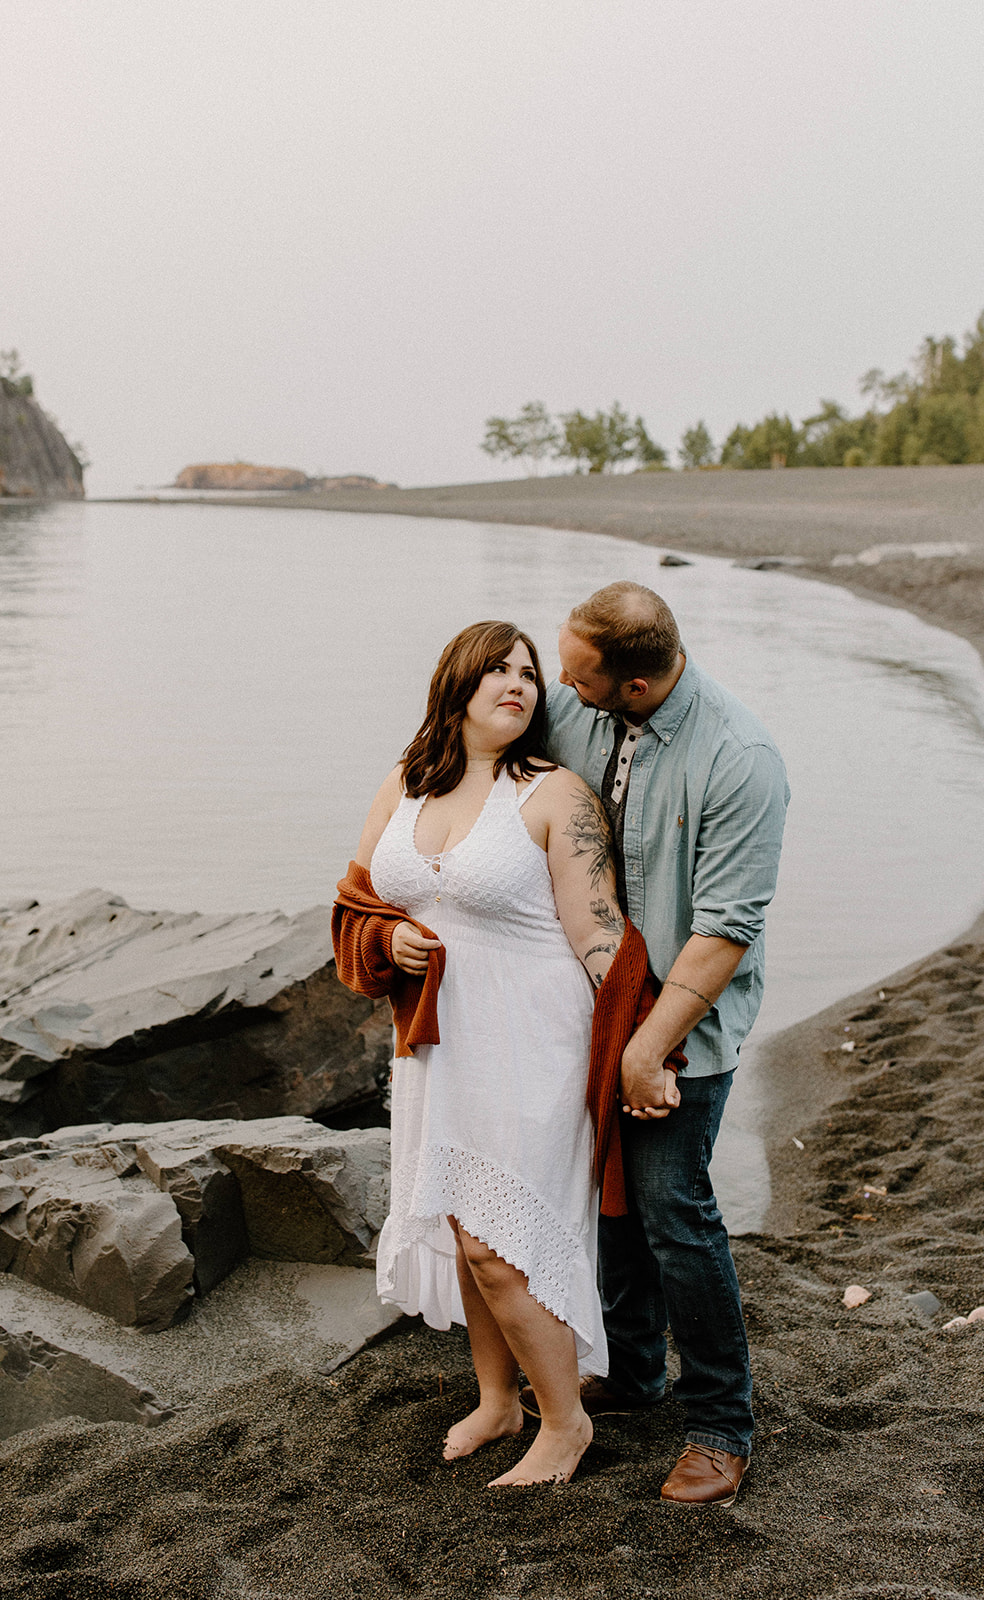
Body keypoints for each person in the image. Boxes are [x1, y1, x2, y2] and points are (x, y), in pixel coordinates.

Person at [333, 619, 633, 1488]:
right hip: (435, 1042)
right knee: (467, 1230)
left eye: (530, 673)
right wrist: (390, 945)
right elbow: (357, 901)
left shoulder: (552, 793)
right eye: (499, 668)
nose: (518, 683)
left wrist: (646, 1048)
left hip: (531, 1038)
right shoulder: (406, 780)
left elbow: (598, 935)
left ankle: (564, 1423)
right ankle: (498, 1400)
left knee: (499, 1243)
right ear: (455, 683)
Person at [538, 580, 789, 1507]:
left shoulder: (739, 757)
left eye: (576, 674)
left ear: (634, 685)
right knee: (609, 1202)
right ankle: (636, 1370)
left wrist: (650, 1045)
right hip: (590, 1007)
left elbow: (724, 930)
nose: (560, 687)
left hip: (690, 1021)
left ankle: (722, 1424)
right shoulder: (580, 714)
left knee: (672, 1208)